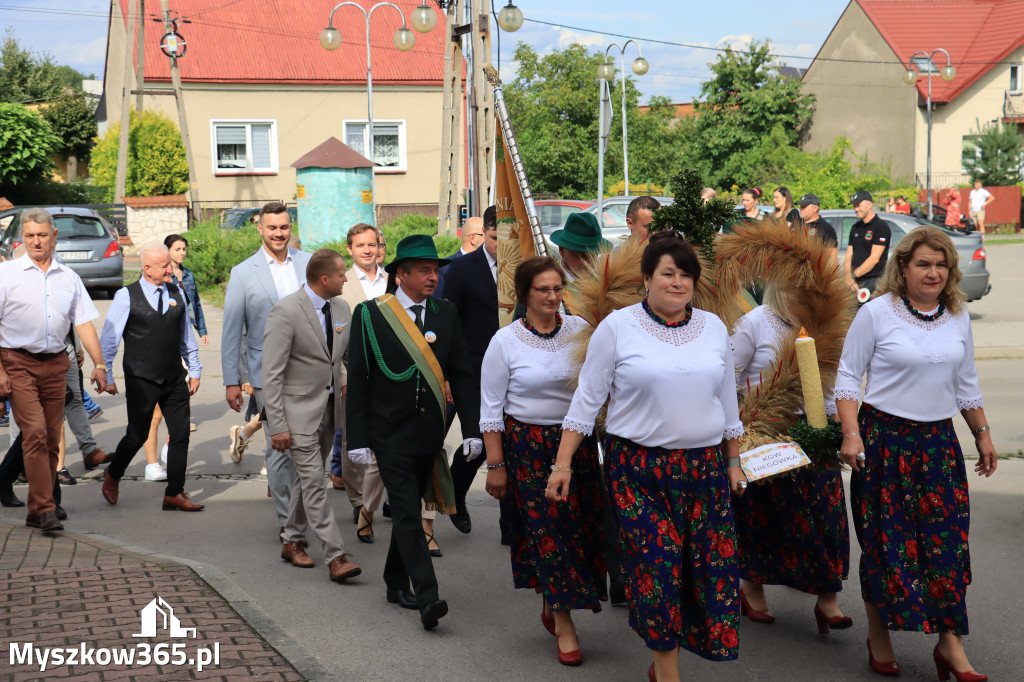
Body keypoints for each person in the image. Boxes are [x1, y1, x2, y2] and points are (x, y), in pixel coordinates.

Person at [548, 231, 746, 682]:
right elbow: (587, 400)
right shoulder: (618, 328)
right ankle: (667, 670)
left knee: (707, 569)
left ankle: (669, 659)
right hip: (638, 470)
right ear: (646, 280)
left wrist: (733, 461)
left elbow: (727, 402)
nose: (677, 283)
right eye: (668, 274)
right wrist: (562, 465)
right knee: (658, 567)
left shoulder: (714, 327)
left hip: (704, 470)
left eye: (685, 276)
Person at [836, 225, 996, 681]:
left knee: (946, 547)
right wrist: (851, 433)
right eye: (923, 263)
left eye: (941, 264)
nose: (933, 272)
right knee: (887, 548)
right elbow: (848, 378)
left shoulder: (957, 314)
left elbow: (966, 382)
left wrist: (982, 434)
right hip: (884, 443)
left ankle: (950, 646)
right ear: (902, 267)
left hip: (938, 446)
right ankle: (879, 636)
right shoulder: (877, 314)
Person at [346, 234, 481, 631]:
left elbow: (462, 375)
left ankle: (393, 580)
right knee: (407, 513)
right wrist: (358, 439)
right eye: (424, 270)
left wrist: (472, 429)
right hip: (388, 434)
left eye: (436, 270)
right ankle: (427, 596)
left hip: (429, 433)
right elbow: (360, 378)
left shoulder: (445, 313)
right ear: (400, 274)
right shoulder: (371, 315)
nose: (433, 277)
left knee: (406, 514)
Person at [481, 257, 607, 666]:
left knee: (578, 531)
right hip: (528, 449)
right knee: (548, 532)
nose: (553, 297)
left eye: (557, 289)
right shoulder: (506, 341)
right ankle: (566, 625)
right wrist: (496, 466)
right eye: (543, 290)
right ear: (524, 294)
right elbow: (490, 409)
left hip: (577, 446)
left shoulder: (581, 330)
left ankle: (554, 601)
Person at [730, 286, 852, 634]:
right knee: (767, 516)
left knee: (825, 514)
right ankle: (752, 587)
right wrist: (749, 420)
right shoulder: (754, 323)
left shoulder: (825, 322)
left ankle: (828, 598)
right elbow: (728, 376)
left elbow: (834, 379)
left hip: (815, 428)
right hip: (769, 434)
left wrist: (839, 427)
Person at [0, 207, 107, 532]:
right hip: (17, 363)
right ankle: (46, 509)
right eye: (29, 235)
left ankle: (36, 509)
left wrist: (100, 363)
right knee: (33, 434)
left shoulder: (68, 277)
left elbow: (84, 323)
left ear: (54, 237)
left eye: (42, 235)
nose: (35, 241)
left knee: (48, 439)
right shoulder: (7, 275)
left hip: (56, 364)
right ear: (22, 238)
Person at [263, 249, 362, 583]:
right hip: (296, 414)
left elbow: (343, 359)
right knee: (316, 484)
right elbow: (271, 374)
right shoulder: (286, 311)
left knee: (308, 481)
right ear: (324, 279)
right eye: (341, 274)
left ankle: (291, 540)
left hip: (330, 411)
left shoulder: (341, 307)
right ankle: (336, 556)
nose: (346, 278)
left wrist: (348, 385)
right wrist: (277, 425)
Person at [221, 202, 310, 533]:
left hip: (308, 370)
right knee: (279, 444)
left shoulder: (308, 263)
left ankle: (301, 513)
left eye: (284, 227)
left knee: (307, 445)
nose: (278, 233)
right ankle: (289, 524)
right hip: (265, 372)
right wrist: (232, 380)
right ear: (259, 228)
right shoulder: (244, 273)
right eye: (272, 227)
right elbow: (232, 329)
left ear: (290, 227)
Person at [99, 243, 204, 512]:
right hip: (141, 379)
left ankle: (174, 493)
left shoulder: (176, 291)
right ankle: (114, 474)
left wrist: (195, 368)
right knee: (137, 434)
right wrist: (106, 372)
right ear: (147, 269)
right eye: (165, 266)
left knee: (180, 434)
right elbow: (109, 339)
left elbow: (185, 334)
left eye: (170, 264)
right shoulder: (126, 296)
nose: (171, 269)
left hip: (173, 378)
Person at [437, 206, 500, 540]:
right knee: (478, 438)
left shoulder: (521, 265)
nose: (500, 244)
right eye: (494, 237)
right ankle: (454, 494)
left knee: (503, 443)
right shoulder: (460, 269)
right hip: (470, 369)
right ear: (483, 232)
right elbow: (448, 322)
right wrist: (446, 373)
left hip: (511, 370)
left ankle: (510, 525)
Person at [141, 234, 210, 483]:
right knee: (156, 413)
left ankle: (171, 449)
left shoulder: (187, 276)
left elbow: (195, 306)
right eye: (177, 249)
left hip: (181, 345)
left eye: (184, 249)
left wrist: (201, 330)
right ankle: (151, 463)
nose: (181, 253)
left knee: (180, 408)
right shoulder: (144, 286)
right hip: (154, 357)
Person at [337, 223, 388, 539]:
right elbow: (337, 340)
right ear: (350, 249)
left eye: (372, 245)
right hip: (356, 370)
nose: (367, 250)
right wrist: (343, 377)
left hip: (394, 371)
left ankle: (390, 495)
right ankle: (358, 500)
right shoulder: (343, 286)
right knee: (354, 437)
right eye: (360, 246)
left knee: (393, 433)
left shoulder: (392, 281)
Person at [844, 191, 891, 297]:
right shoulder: (855, 227)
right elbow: (849, 255)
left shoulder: (880, 227)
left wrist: (853, 276)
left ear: (869, 205)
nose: (856, 209)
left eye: (858, 205)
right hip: (854, 282)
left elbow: (874, 259)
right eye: (854, 206)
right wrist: (848, 277)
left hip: (873, 282)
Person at [549, 212, 611, 279]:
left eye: (593, 256)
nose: (589, 264)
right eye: (581, 256)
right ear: (561, 250)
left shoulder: (603, 281)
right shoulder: (548, 282)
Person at [797, 194, 839, 262]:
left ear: (815, 208)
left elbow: (832, 258)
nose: (801, 209)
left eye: (804, 206)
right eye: (801, 207)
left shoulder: (826, 228)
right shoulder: (797, 225)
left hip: (815, 270)